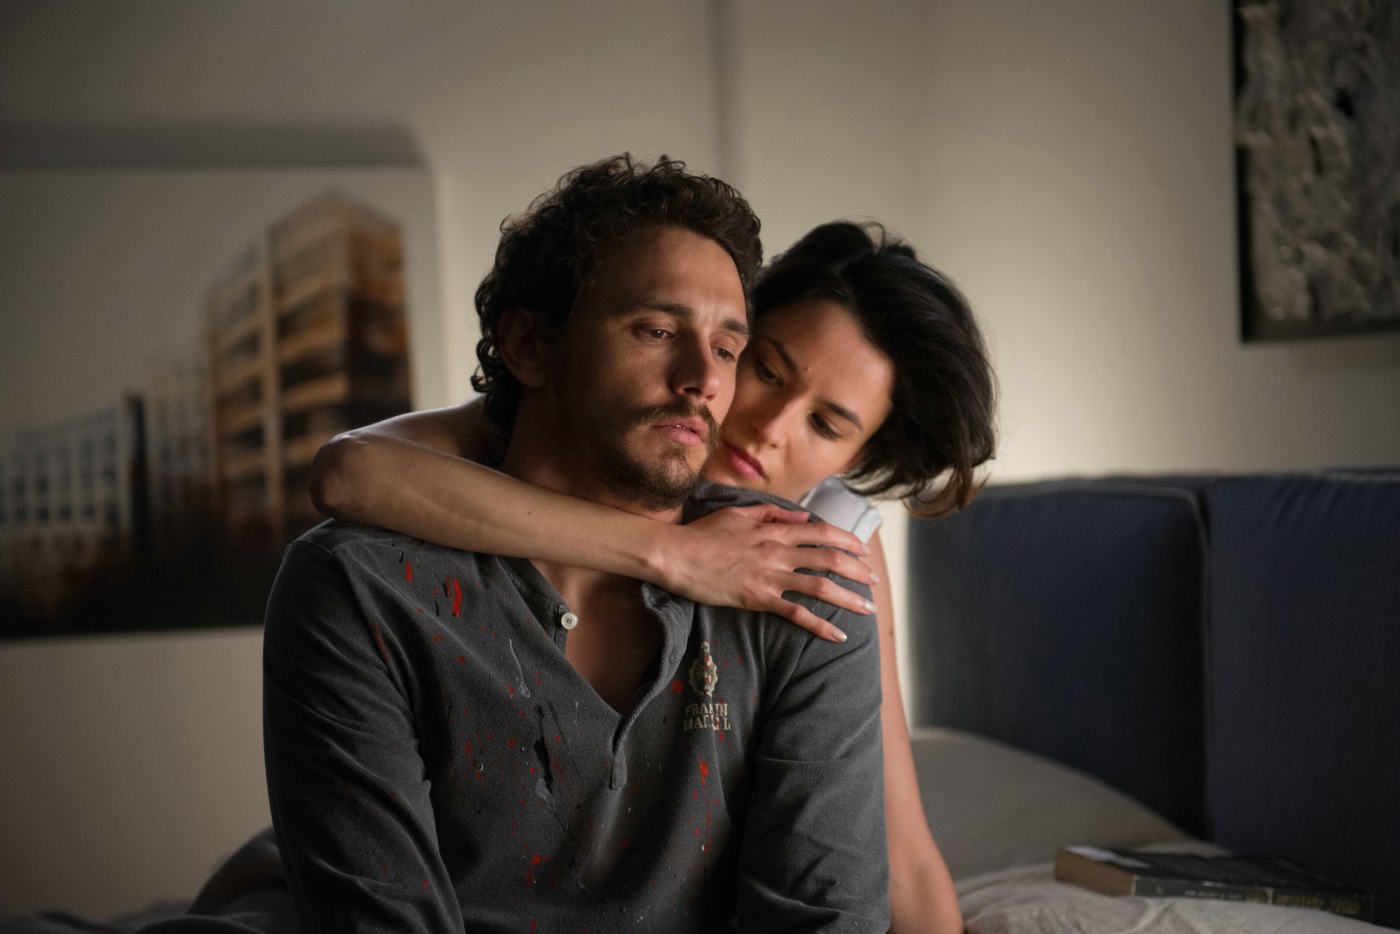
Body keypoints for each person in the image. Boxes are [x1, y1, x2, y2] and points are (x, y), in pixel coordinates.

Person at [311, 216, 997, 932]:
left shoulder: (828, 549)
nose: (770, 427)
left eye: (825, 425)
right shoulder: (552, 423)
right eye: (765, 371)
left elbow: (901, 850)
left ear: (852, 459)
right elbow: (348, 473)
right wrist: (673, 553)